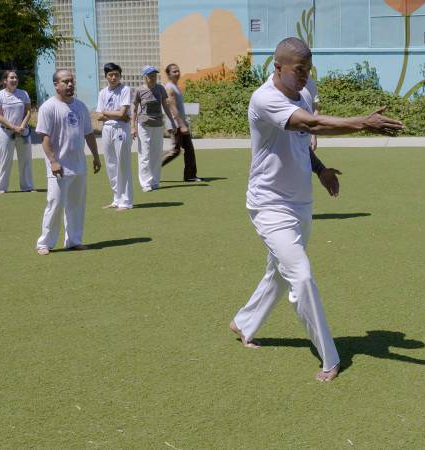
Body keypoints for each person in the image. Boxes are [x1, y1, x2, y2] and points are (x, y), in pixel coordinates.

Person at [229, 37, 403, 382]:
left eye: (308, 69)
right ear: (277, 67)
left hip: (301, 202)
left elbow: (299, 140)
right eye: (298, 70)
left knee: (280, 273)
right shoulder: (264, 99)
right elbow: (309, 125)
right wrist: (362, 123)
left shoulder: (306, 90)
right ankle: (330, 356)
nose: (304, 76)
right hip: (269, 205)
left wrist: (320, 169)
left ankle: (243, 322)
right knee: (301, 276)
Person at [35, 70, 102, 255]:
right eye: (65, 81)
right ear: (56, 85)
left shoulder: (80, 106)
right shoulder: (48, 107)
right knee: (55, 204)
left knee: (77, 205)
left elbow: (88, 133)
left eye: (72, 81)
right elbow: (45, 137)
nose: (70, 85)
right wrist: (53, 161)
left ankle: (74, 240)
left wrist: (95, 156)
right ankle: (45, 243)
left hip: (79, 165)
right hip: (59, 167)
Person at [95, 62, 133, 210]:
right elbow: (98, 115)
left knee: (123, 164)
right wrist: (114, 114)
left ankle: (126, 201)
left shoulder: (125, 90)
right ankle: (116, 198)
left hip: (121, 129)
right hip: (107, 129)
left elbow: (123, 114)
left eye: (116, 74)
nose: (114, 77)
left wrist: (107, 112)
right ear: (106, 76)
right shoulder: (102, 93)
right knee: (111, 164)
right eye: (111, 75)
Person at [131, 65, 175, 192]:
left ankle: (155, 181)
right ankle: (145, 183)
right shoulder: (139, 90)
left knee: (156, 154)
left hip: (158, 125)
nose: (153, 77)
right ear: (145, 77)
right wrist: (132, 127)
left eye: (154, 75)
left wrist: (171, 121)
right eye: (150, 75)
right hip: (144, 125)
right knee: (145, 154)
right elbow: (134, 110)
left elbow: (165, 106)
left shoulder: (160, 89)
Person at [0, 70, 34, 193]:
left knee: (26, 160)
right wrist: (13, 127)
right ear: (5, 80)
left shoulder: (24, 93)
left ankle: (27, 187)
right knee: (6, 160)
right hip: (6, 133)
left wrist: (21, 127)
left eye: (16, 77)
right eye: (12, 77)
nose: (15, 79)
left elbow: (28, 111)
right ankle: (2, 189)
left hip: (23, 132)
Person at [161, 63, 203, 182]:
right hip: (175, 125)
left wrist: (184, 122)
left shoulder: (175, 86)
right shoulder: (169, 87)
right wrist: (182, 124)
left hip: (179, 123)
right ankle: (152, 168)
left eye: (178, 71)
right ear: (168, 74)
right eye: (174, 71)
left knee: (186, 149)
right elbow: (173, 108)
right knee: (175, 150)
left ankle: (190, 175)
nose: (177, 73)